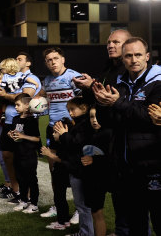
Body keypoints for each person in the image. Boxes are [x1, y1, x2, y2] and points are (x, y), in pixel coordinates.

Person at [92, 37, 160, 235]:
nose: (133, 59)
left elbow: (149, 118)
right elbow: (108, 121)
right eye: (128, 56)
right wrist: (103, 104)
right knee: (136, 224)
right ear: (123, 59)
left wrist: (117, 104)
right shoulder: (119, 83)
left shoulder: (158, 81)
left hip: (154, 165)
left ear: (147, 56)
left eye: (138, 55)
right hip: (127, 167)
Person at [73, 29, 133, 236]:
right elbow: (98, 104)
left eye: (116, 42)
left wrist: (93, 86)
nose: (110, 45)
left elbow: (119, 101)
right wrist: (88, 87)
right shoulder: (108, 68)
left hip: (124, 142)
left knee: (129, 203)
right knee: (114, 197)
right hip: (106, 143)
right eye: (109, 42)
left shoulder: (128, 71)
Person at [38, 47, 82, 228]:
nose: (53, 62)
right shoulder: (47, 81)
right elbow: (41, 98)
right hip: (51, 128)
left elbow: (82, 104)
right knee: (54, 169)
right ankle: (58, 205)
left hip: (70, 129)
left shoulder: (74, 77)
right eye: (49, 60)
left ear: (63, 59)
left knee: (75, 171)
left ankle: (80, 209)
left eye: (55, 58)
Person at [0, 57, 40, 202]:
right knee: (7, 156)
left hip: (22, 121)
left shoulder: (26, 77)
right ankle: (16, 191)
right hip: (8, 121)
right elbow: (3, 99)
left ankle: (29, 194)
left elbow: (25, 97)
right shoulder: (7, 78)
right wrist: (1, 96)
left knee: (23, 159)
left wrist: (6, 95)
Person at [53, 97, 94, 236]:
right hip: (78, 168)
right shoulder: (79, 123)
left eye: (73, 109)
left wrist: (63, 135)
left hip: (80, 169)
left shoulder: (84, 124)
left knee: (83, 206)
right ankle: (85, 231)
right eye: (68, 110)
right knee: (83, 205)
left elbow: (76, 144)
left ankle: (86, 233)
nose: (70, 113)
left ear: (83, 108)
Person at [80, 106, 112, 236]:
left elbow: (113, 157)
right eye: (92, 116)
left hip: (103, 178)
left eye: (97, 116)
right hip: (91, 178)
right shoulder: (90, 134)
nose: (94, 120)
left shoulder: (109, 134)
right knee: (94, 211)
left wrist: (95, 160)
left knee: (97, 212)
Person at [9, 93, 40, 214]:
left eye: (18, 105)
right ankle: (23, 200)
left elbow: (37, 138)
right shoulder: (15, 118)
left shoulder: (32, 120)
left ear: (27, 105)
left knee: (31, 179)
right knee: (20, 178)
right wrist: (11, 134)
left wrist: (23, 136)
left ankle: (34, 204)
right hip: (18, 153)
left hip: (29, 154)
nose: (15, 107)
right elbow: (14, 132)